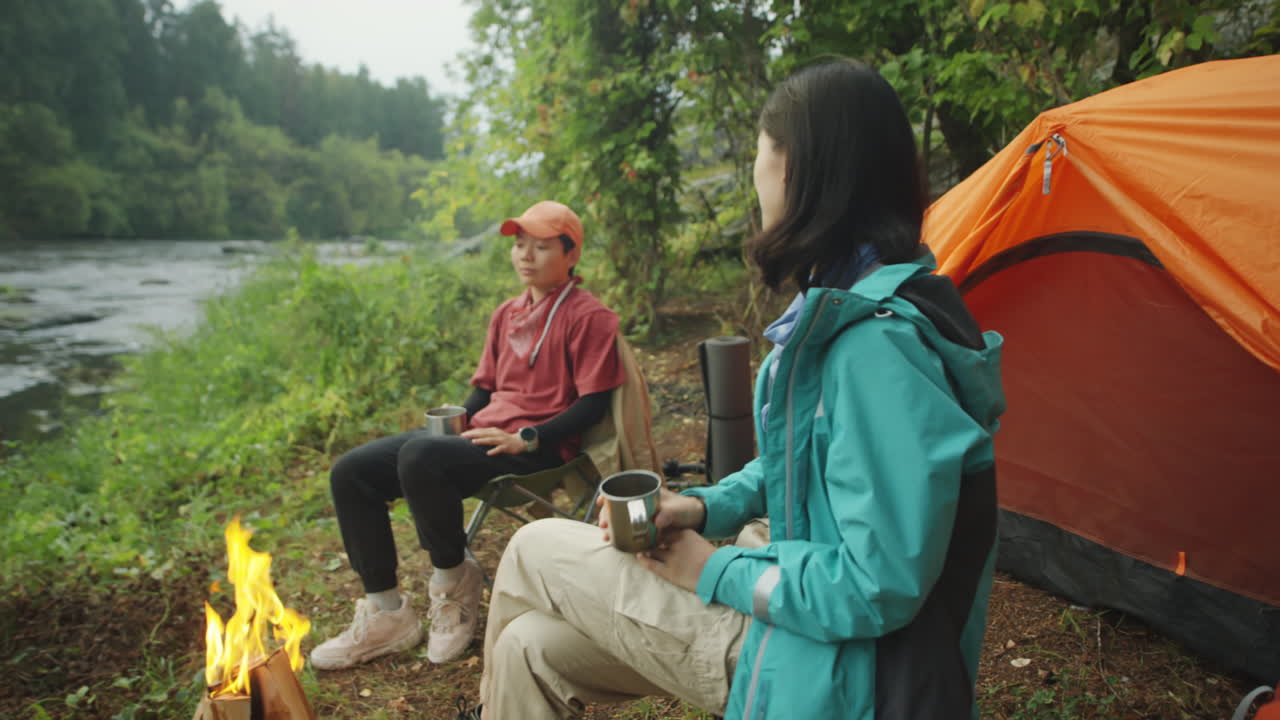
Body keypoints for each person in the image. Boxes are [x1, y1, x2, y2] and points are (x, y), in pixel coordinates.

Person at [464, 60, 1006, 719]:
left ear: (796, 169)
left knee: (532, 546)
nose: (755, 174)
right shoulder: (864, 304)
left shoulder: (875, 349)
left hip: (848, 677)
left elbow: (876, 586)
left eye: (760, 151)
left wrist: (707, 570)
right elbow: (800, 466)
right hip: (817, 634)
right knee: (528, 647)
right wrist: (700, 509)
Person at [311, 200, 625, 670]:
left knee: (420, 456)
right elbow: (483, 389)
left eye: (541, 247)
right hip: (483, 437)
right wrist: (454, 424)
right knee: (352, 471)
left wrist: (530, 437)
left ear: (571, 253)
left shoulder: (589, 316)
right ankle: (386, 611)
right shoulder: (507, 313)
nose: (525, 255)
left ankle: (453, 582)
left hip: (534, 450)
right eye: (520, 245)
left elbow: (593, 401)